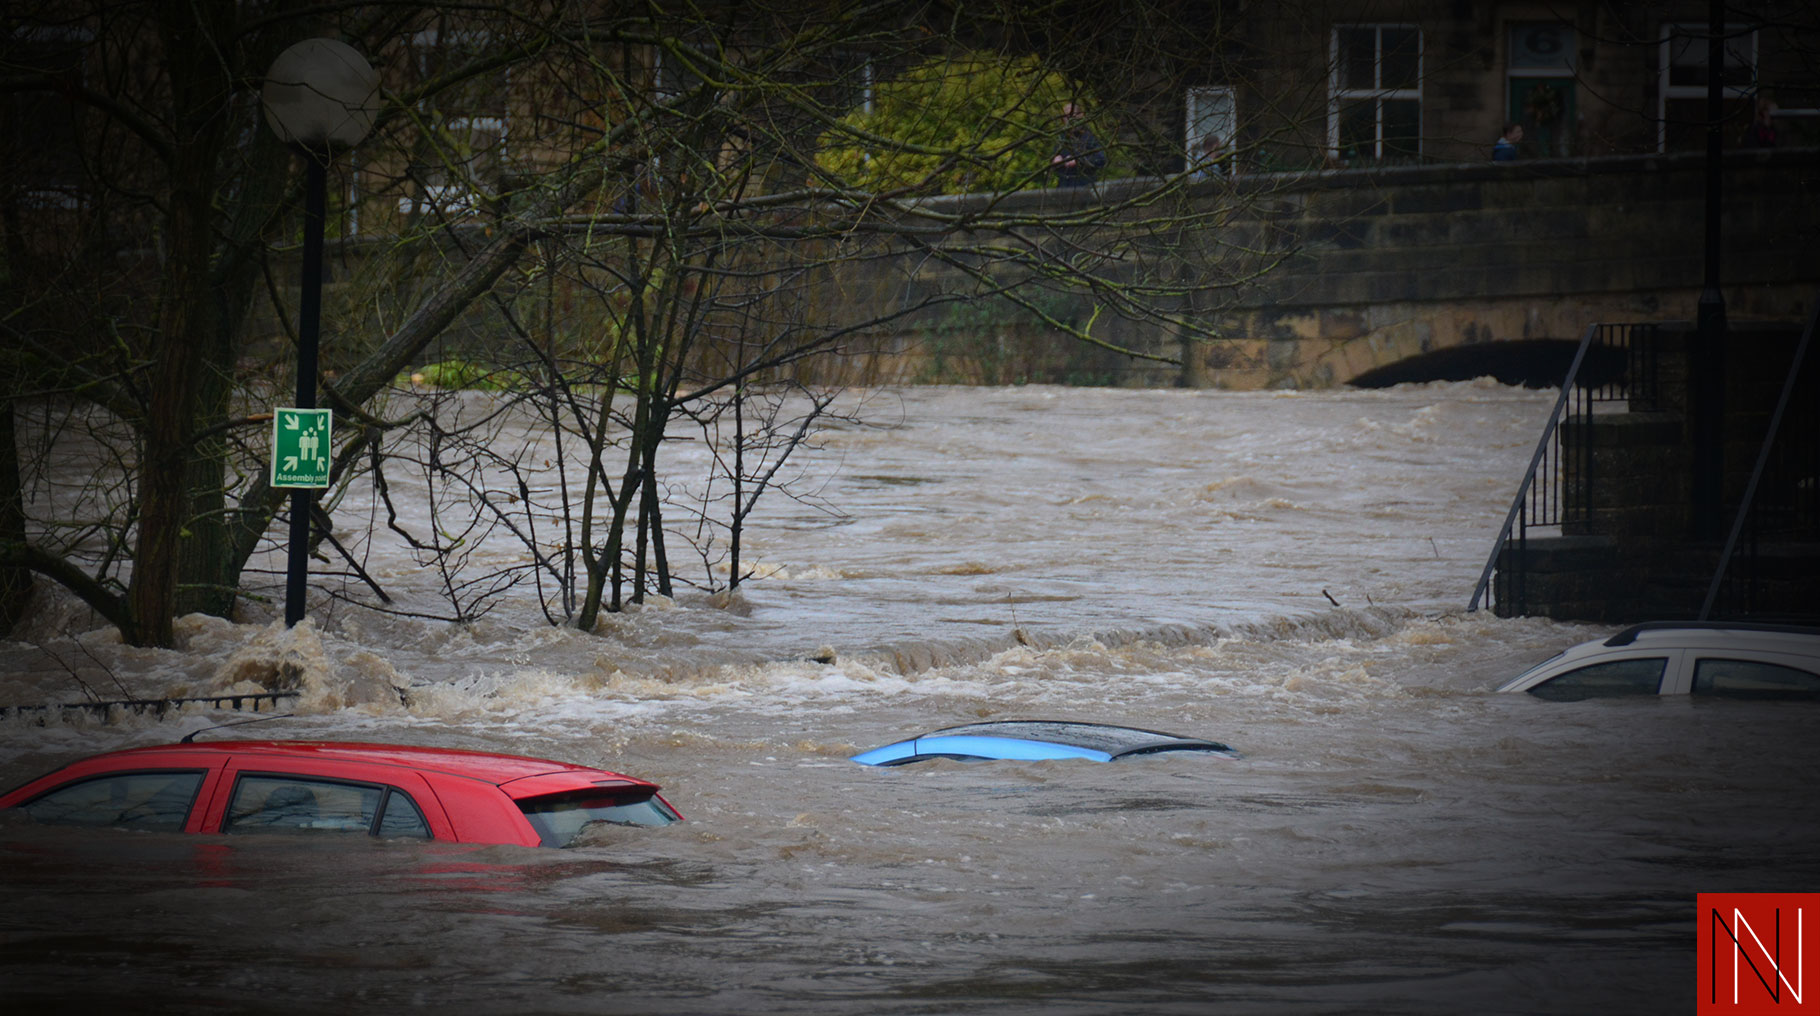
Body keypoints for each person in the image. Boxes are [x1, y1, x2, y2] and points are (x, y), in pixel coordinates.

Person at [1052, 102, 1108, 187]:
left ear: (1081, 115)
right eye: (1066, 117)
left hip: (1085, 187)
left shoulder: (1089, 136)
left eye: (1072, 116)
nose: (1069, 120)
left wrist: (1078, 161)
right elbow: (1054, 162)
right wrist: (1055, 160)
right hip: (1064, 188)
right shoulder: (1062, 138)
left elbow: (1100, 159)